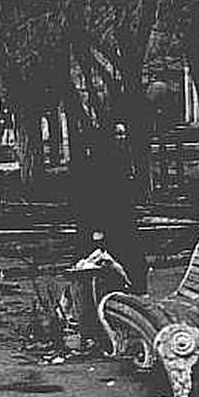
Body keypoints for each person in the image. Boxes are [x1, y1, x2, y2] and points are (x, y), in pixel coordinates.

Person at [71, 121, 147, 294]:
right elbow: (93, 198)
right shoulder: (99, 164)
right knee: (103, 266)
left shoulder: (124, 159)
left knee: (136, 262)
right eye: (118, 134)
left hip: (123, 221)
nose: (122, 138)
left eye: (123, 134)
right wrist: (97, 228)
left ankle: (137, 297)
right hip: (106, 225)